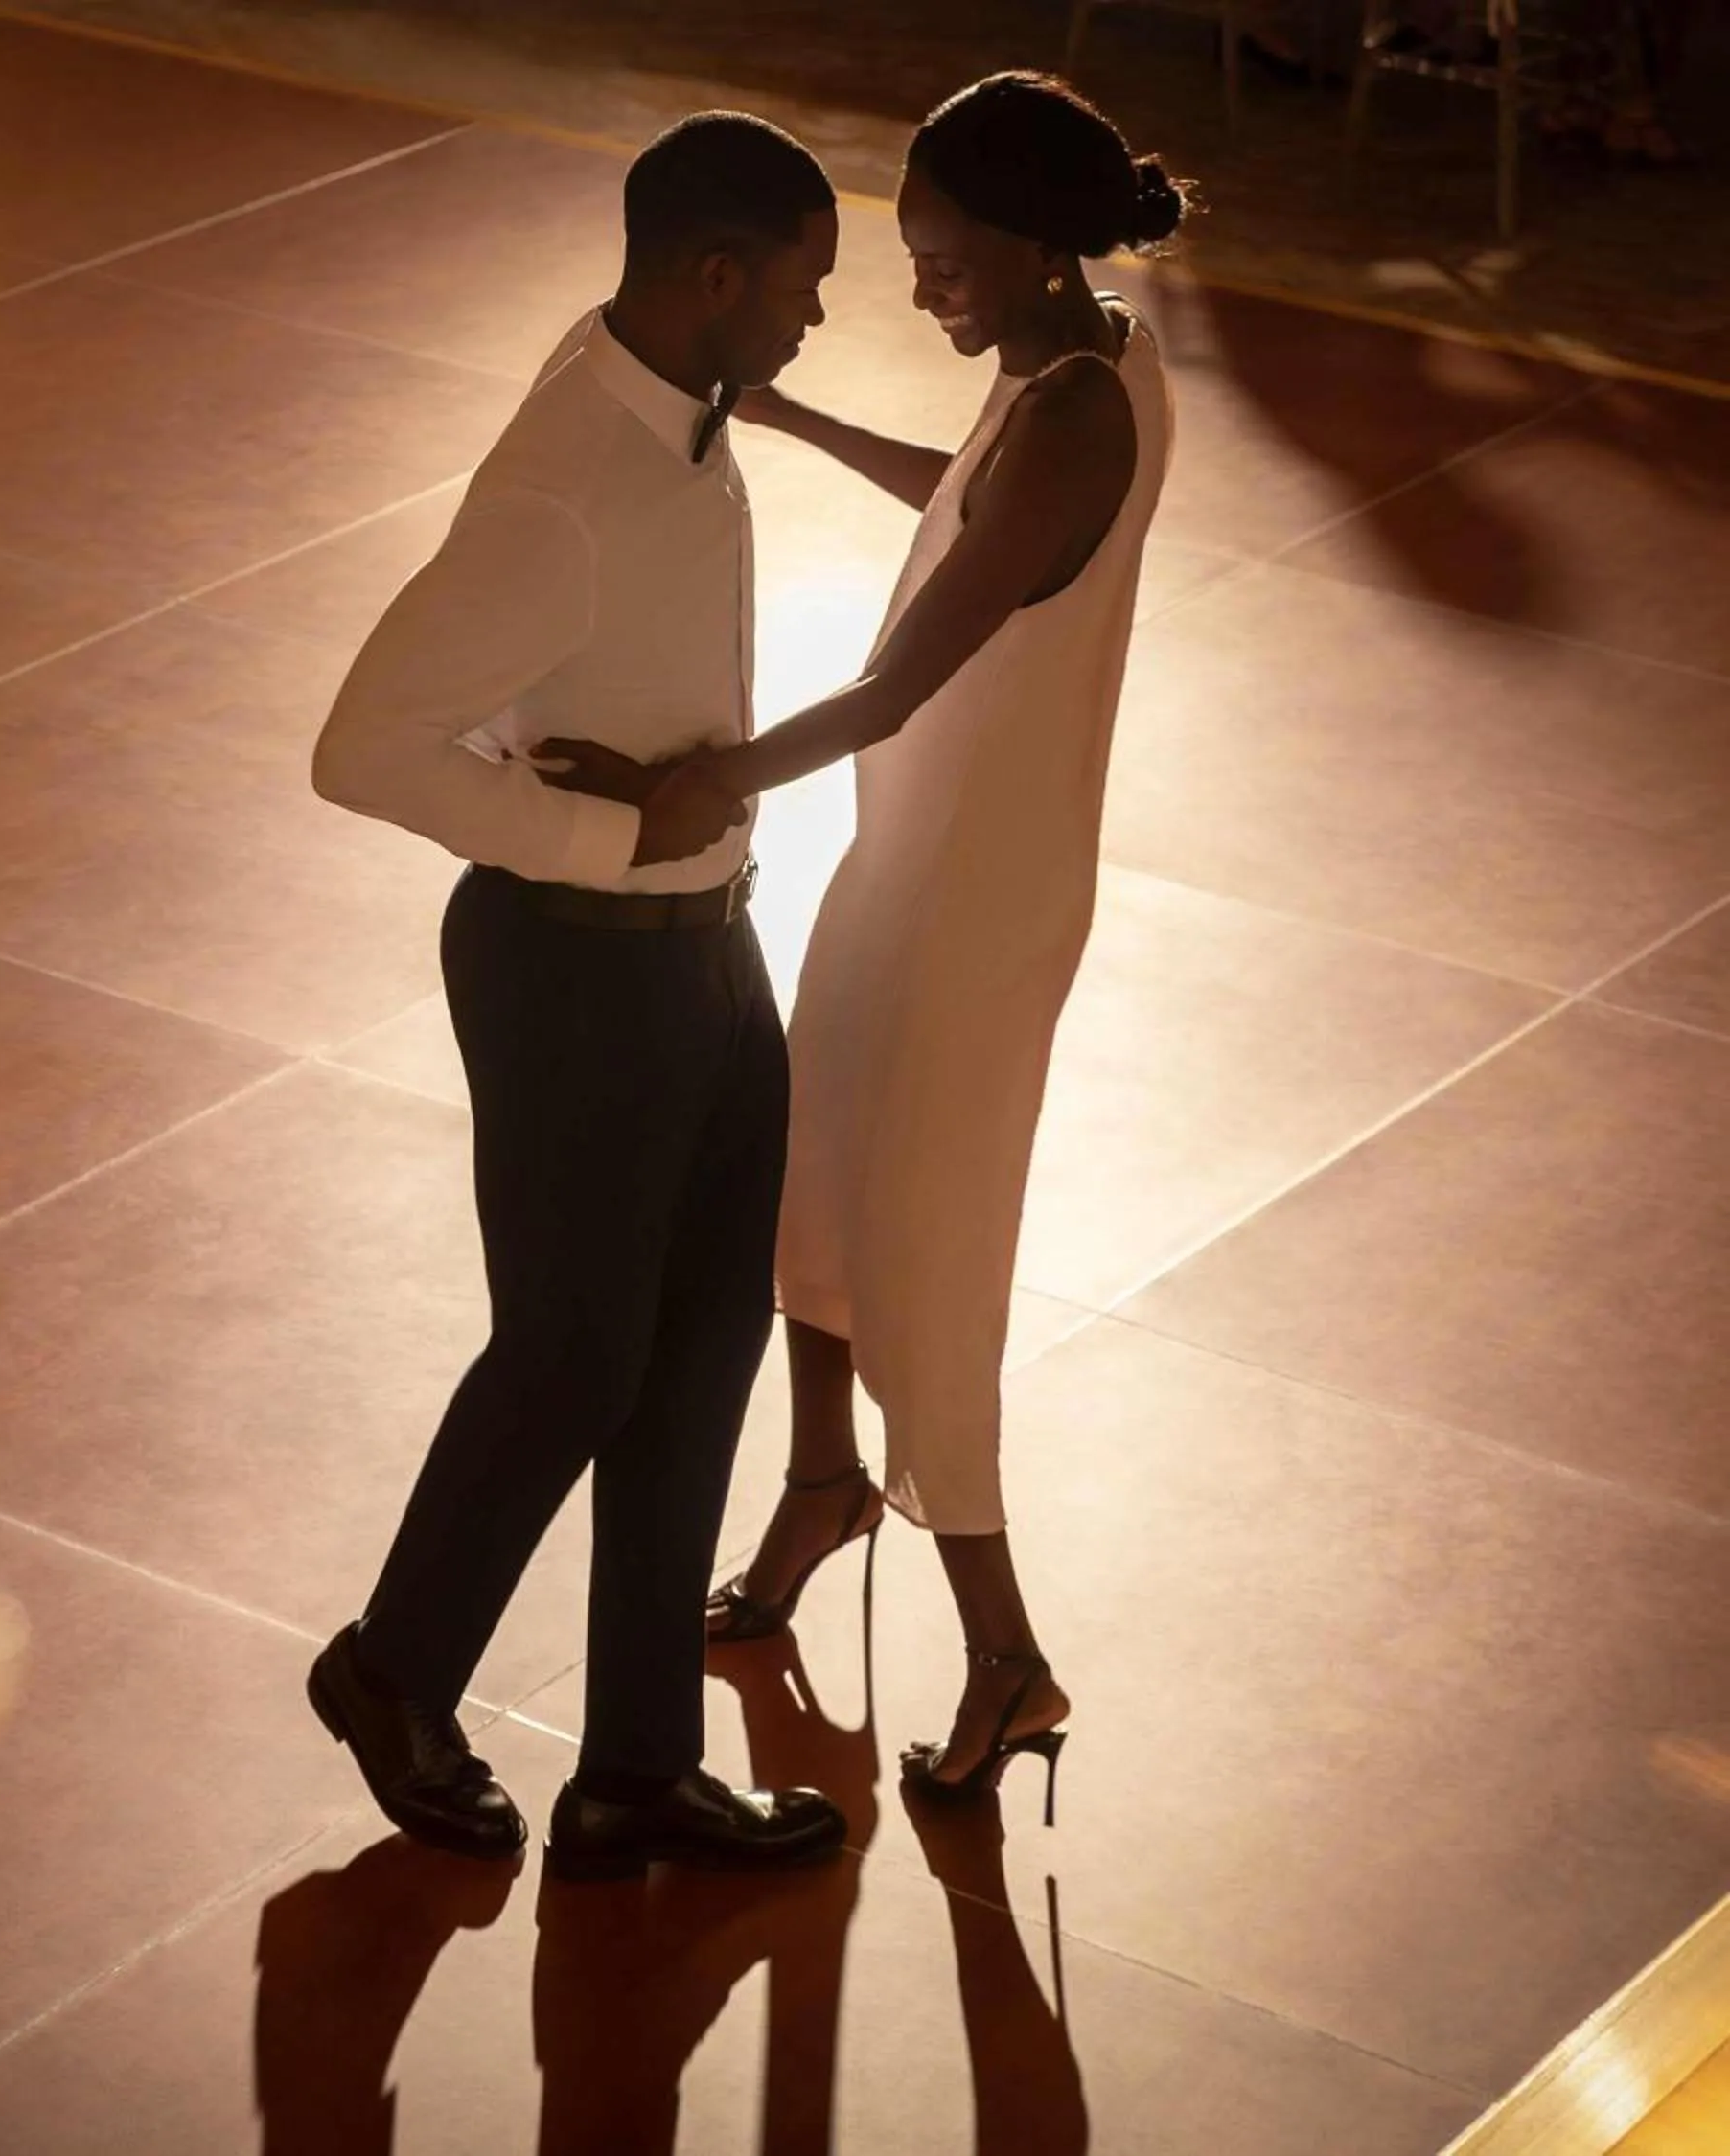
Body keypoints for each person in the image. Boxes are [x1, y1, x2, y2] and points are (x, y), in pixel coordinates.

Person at [534, 72, 1184, 1823]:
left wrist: (705, 784)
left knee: (928, 1244)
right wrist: (796, 421)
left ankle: (1002, 1649)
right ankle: (822, 1481)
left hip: (974, 893)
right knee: (806, 1161)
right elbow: (967, 502)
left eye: (941, 253)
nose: (919, 285)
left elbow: (908, 679)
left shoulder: (1063, 415)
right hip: (922, 859)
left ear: (1033, 244)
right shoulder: (1078, 360)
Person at [306, 111, 848, 1881]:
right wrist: (606, 832)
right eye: (800, 288)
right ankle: (392, 1671)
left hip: (708, 948)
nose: (814, 322)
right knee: (575, 1353)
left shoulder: (670, 402)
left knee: (701, 1353)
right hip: (573, 969)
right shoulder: (563, 493)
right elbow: (360, 746)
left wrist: (680, 836)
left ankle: (634, 1766)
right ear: (712, 277)